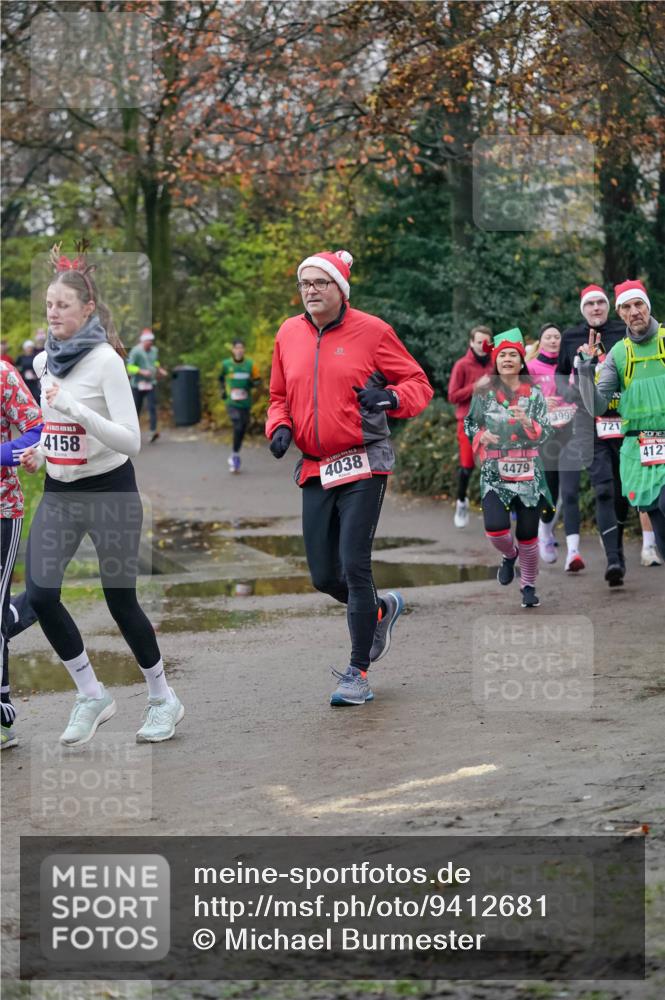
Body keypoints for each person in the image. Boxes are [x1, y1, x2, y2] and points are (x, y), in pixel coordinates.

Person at [19, 242, 184, 746]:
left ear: (87, 309)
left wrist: (76, 409)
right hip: (60, 493)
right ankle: (91, 693)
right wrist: (43, 451)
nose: (53, 312)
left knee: (120, 601)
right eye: (48, 304)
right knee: (43, 595)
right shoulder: (45, 360)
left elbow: (130, 440)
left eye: (63, 305)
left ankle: (162, 698)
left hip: (110, 491)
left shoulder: (106, 362)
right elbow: (55, 428)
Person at [266, 249, 433, 707]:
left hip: (364, 461)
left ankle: (358, 672)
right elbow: (279, 394)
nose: (312, 291)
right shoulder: (288, 333)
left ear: (340, 289)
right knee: (324, 574)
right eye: (306, 284)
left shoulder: (373, 331)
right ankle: (379, 611)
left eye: (321, 283)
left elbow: (419, 384)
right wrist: (279, 426)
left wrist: (390, 397)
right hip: (317, 466)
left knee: (355, 563)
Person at [576, 279, 665, 561]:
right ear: (620, 314)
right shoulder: (618, 353)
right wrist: (587, 373)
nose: (634, 311)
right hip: (638, 452)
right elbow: (597, 406)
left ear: (647, 306)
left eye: (639, 304)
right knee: (661, 538)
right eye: (627, 307)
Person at [465, 328, 553, 609]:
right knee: (496, 529)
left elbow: (547, 431)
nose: (507, 359)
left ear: (520, 361)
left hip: (529, 473)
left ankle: (528, 585)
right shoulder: (484, 393)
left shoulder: (535, 394)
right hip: (495, 472)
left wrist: (528, 423)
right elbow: (470, 424)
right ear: (495, 361)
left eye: (512, 355)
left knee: (528, 534)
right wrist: (482, 436)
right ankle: (509, 554)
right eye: (502, 355)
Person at [556, 285, 628, 584]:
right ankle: (613, 561)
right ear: (582, 309)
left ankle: (618, 544)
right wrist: (570, 393)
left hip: (624, 420)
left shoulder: (624, 333)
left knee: (624, 492)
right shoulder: (571, 336)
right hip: (589, 422)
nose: (596, 308)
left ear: (608, 307)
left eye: (601, 303)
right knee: (602, 489)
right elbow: (559, 374)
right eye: (590, 304)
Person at [1, 362, 43, 749]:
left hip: (2, 510)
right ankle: (35, 604)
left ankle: (0, 712)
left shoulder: (2, 374)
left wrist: (3, 454)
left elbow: (37, 428)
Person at [527, 323, 576, 563]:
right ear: (540, 341)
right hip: (544, 435)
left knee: (567, 490)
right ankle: (544, 530)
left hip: (569, 432)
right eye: (549, 337)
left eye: (558, 336)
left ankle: (553, 536)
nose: (554, 340)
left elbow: (578, 392)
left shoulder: (568, 365)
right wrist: (541, 403)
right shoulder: (532, 367)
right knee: (551, 489)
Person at [446, 325, 492, 527]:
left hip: (492, 421)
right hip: (467, 421)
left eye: (486, 342)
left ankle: (497, 509)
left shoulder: (496, 363)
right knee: (467, 466)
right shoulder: (462, 365)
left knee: (493, 466)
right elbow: (452, 396)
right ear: (471, 343)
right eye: (479, 341)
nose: (483, 346)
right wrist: (475, 387)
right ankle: (461, 501)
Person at [219, 338, 261, 473]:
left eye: (241, 348)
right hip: (232, 402)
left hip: (245, 402)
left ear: (244, 350)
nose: (239, 350)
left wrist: (252, 383)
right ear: (233, 350)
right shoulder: (226, 364)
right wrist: (222, 391)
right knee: (237, 424)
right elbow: (220, 378)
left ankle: (235, 453)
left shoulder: (250, 365)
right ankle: (235, 456)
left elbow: (258, 381)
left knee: (243, 427)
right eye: (236, 348)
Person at [128, 329, 166, 443]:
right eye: (148, 341)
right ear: (143, 341)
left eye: (152, 341)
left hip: (150, 383)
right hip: (137, 384)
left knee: (152, 407)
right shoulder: (135, 351)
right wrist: (141, 371)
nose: (150, 343)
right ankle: (133, 434)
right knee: (136, 409)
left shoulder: (154, 350)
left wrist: (160, 369)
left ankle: (153, 431)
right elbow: (129, 367)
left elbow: (154, 361)